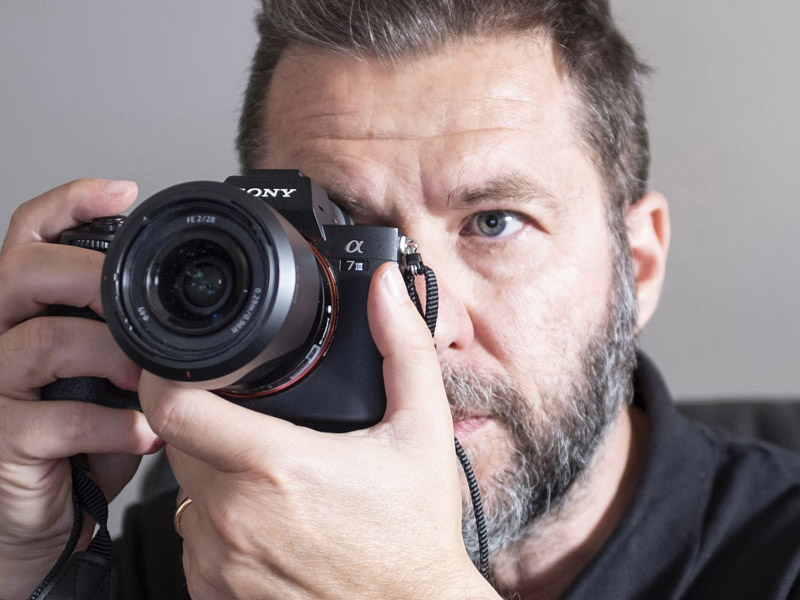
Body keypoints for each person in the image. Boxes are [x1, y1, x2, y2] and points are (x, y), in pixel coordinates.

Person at [1, 1, 800, 599]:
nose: (424, 324)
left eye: (494, 222)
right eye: (346, 235)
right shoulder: (180, 544)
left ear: (640, 264)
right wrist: (24, 562)